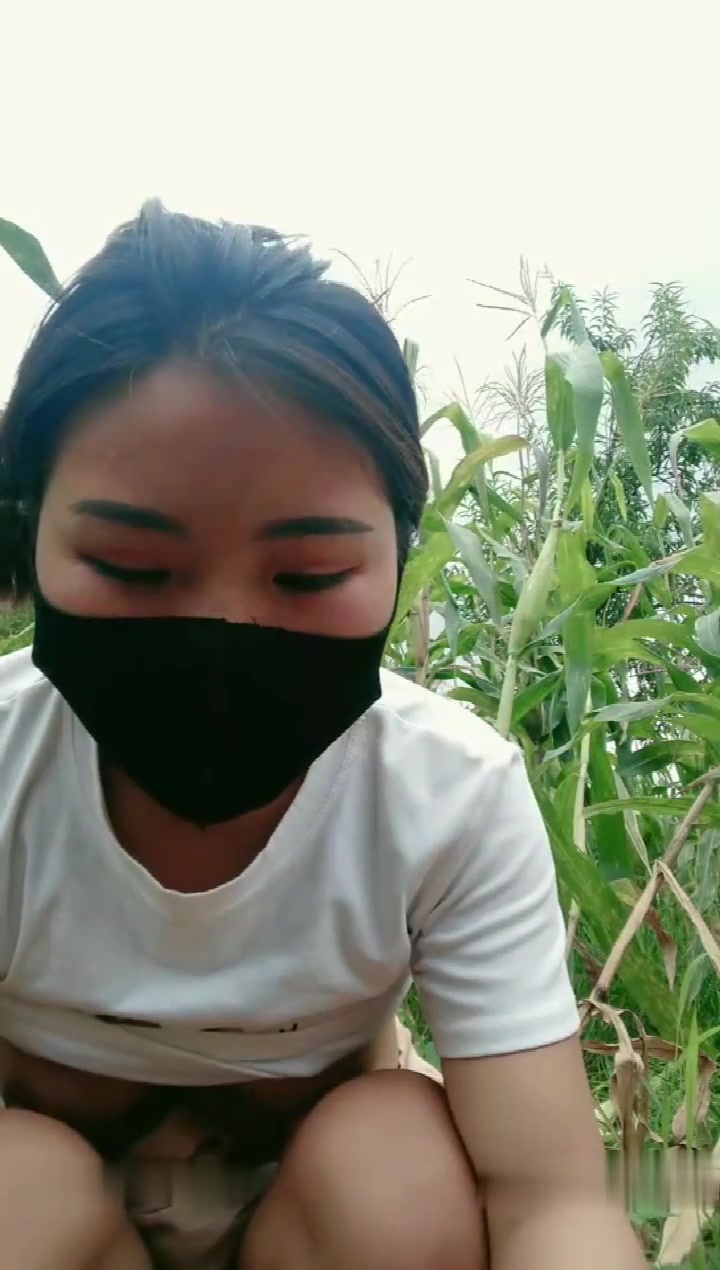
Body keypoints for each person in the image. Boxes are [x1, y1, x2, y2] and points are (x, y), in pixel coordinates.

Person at [0, 202, 643, 1270]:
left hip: (308, 1232)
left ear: (400, 556)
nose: (223, 631)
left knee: (399, 1171)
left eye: (307, 576)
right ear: (24, 537)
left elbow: (549, 1203)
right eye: (131, 567)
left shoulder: (447, 797)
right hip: (59, 1233)